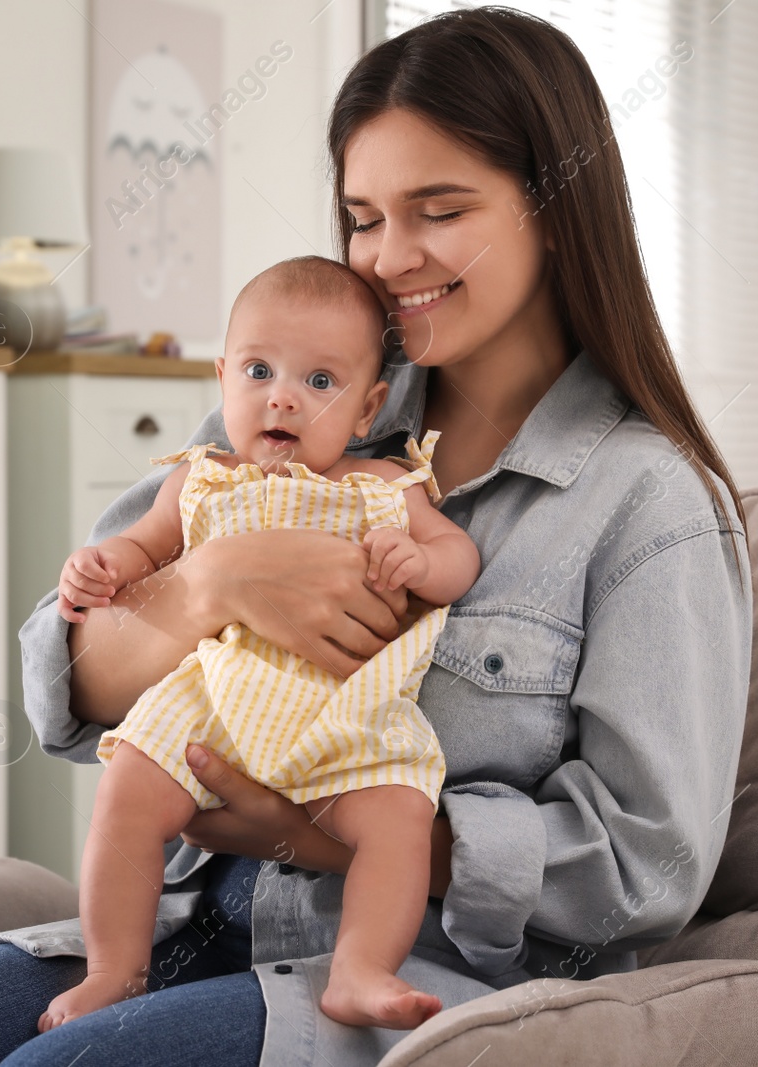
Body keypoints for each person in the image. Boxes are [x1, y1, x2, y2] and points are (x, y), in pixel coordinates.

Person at [0, 8, 752, 1066]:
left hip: (421, 976)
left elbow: (647, 868)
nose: (388, 258)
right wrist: (209, 584)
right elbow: (65, 681)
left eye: (438, 210)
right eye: (362, 216)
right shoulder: (292, 407)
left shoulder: (647, 503)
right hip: (189, 919)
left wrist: (309, 832)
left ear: (557, 208)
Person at [43, 255, 481, 1033]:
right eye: (257, 369)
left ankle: (360, 966)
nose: (281, 395)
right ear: (222, 381)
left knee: (398, 819)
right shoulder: (200, 479)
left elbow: (458, 557)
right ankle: (113, 968)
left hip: (342, 716)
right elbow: (139, 552)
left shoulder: (385, 484)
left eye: (320, 382)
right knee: (128, 788)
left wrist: (423, 561)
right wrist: (97, 566)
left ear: (368, 406)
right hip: (215, 697)